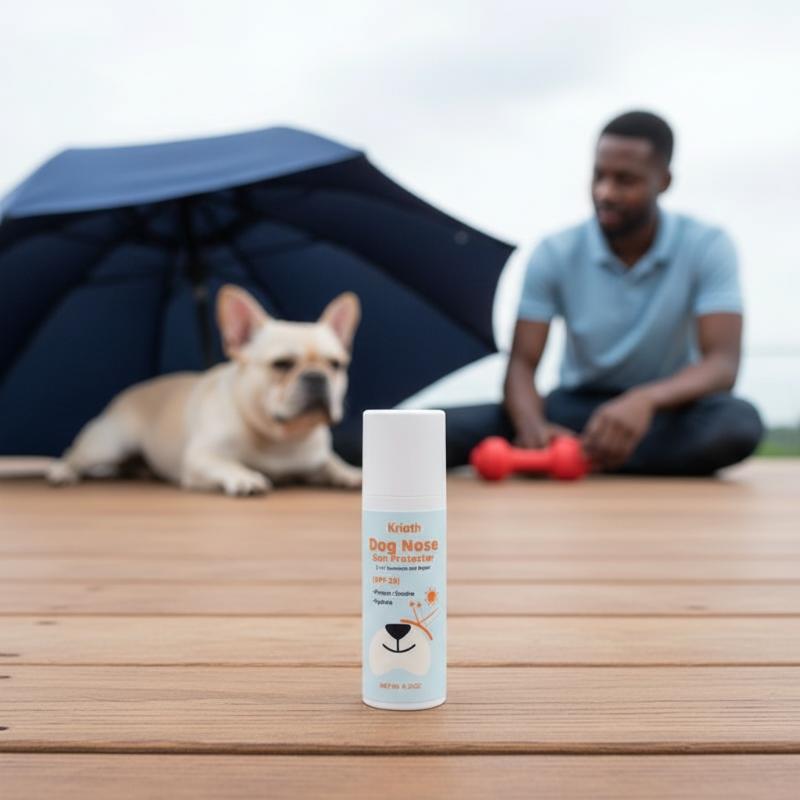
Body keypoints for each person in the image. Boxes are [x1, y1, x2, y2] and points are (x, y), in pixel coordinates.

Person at [445, 110, 763, 474]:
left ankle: (584, 456)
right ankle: (590, 452)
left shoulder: (707, 246)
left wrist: (644, 400)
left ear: (664, 181)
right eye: (599, 176)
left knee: (736, 425)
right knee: (426, 430)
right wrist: (532, 427)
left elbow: (722, 364)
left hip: (664, 409)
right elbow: (522, 364)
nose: (605, 193)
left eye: (625, 180)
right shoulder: (554, 252)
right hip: (575, 410)